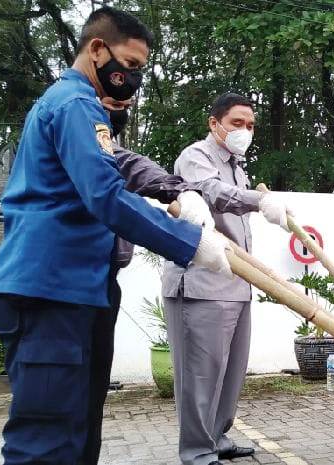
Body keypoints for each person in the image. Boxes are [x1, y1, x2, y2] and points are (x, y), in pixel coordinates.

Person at [0, 8, 230, 464]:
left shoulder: (81, 109)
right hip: (49, 293)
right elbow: (105, 195)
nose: (132, 81)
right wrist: (190, 244)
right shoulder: (74, 104)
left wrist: (179, 194)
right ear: (97, 50)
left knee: (78, 437)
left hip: (77, 293)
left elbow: (122, 164)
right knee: (48, 444)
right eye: (130, 67)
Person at [161, 92, 294, 465]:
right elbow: (212, 193)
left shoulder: (238, 166)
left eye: (250, 125)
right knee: (200, 375)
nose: (245, 131)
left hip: (236, 282)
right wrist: (258, 200)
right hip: (201, 283)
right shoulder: (196, 156)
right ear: (214, 123)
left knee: (230, 371)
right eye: (237, 123)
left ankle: (217, 437)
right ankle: (197, 451)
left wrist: (258, 200)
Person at [80, 99, 215, 465]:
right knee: (56, 413)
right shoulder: (72, 127)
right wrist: (188, 241)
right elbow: (114, 200)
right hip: (62, 287)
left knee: (90, 405)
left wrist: (178, 191)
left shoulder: (106, 151)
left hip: (103, 284)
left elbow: (132, 165)